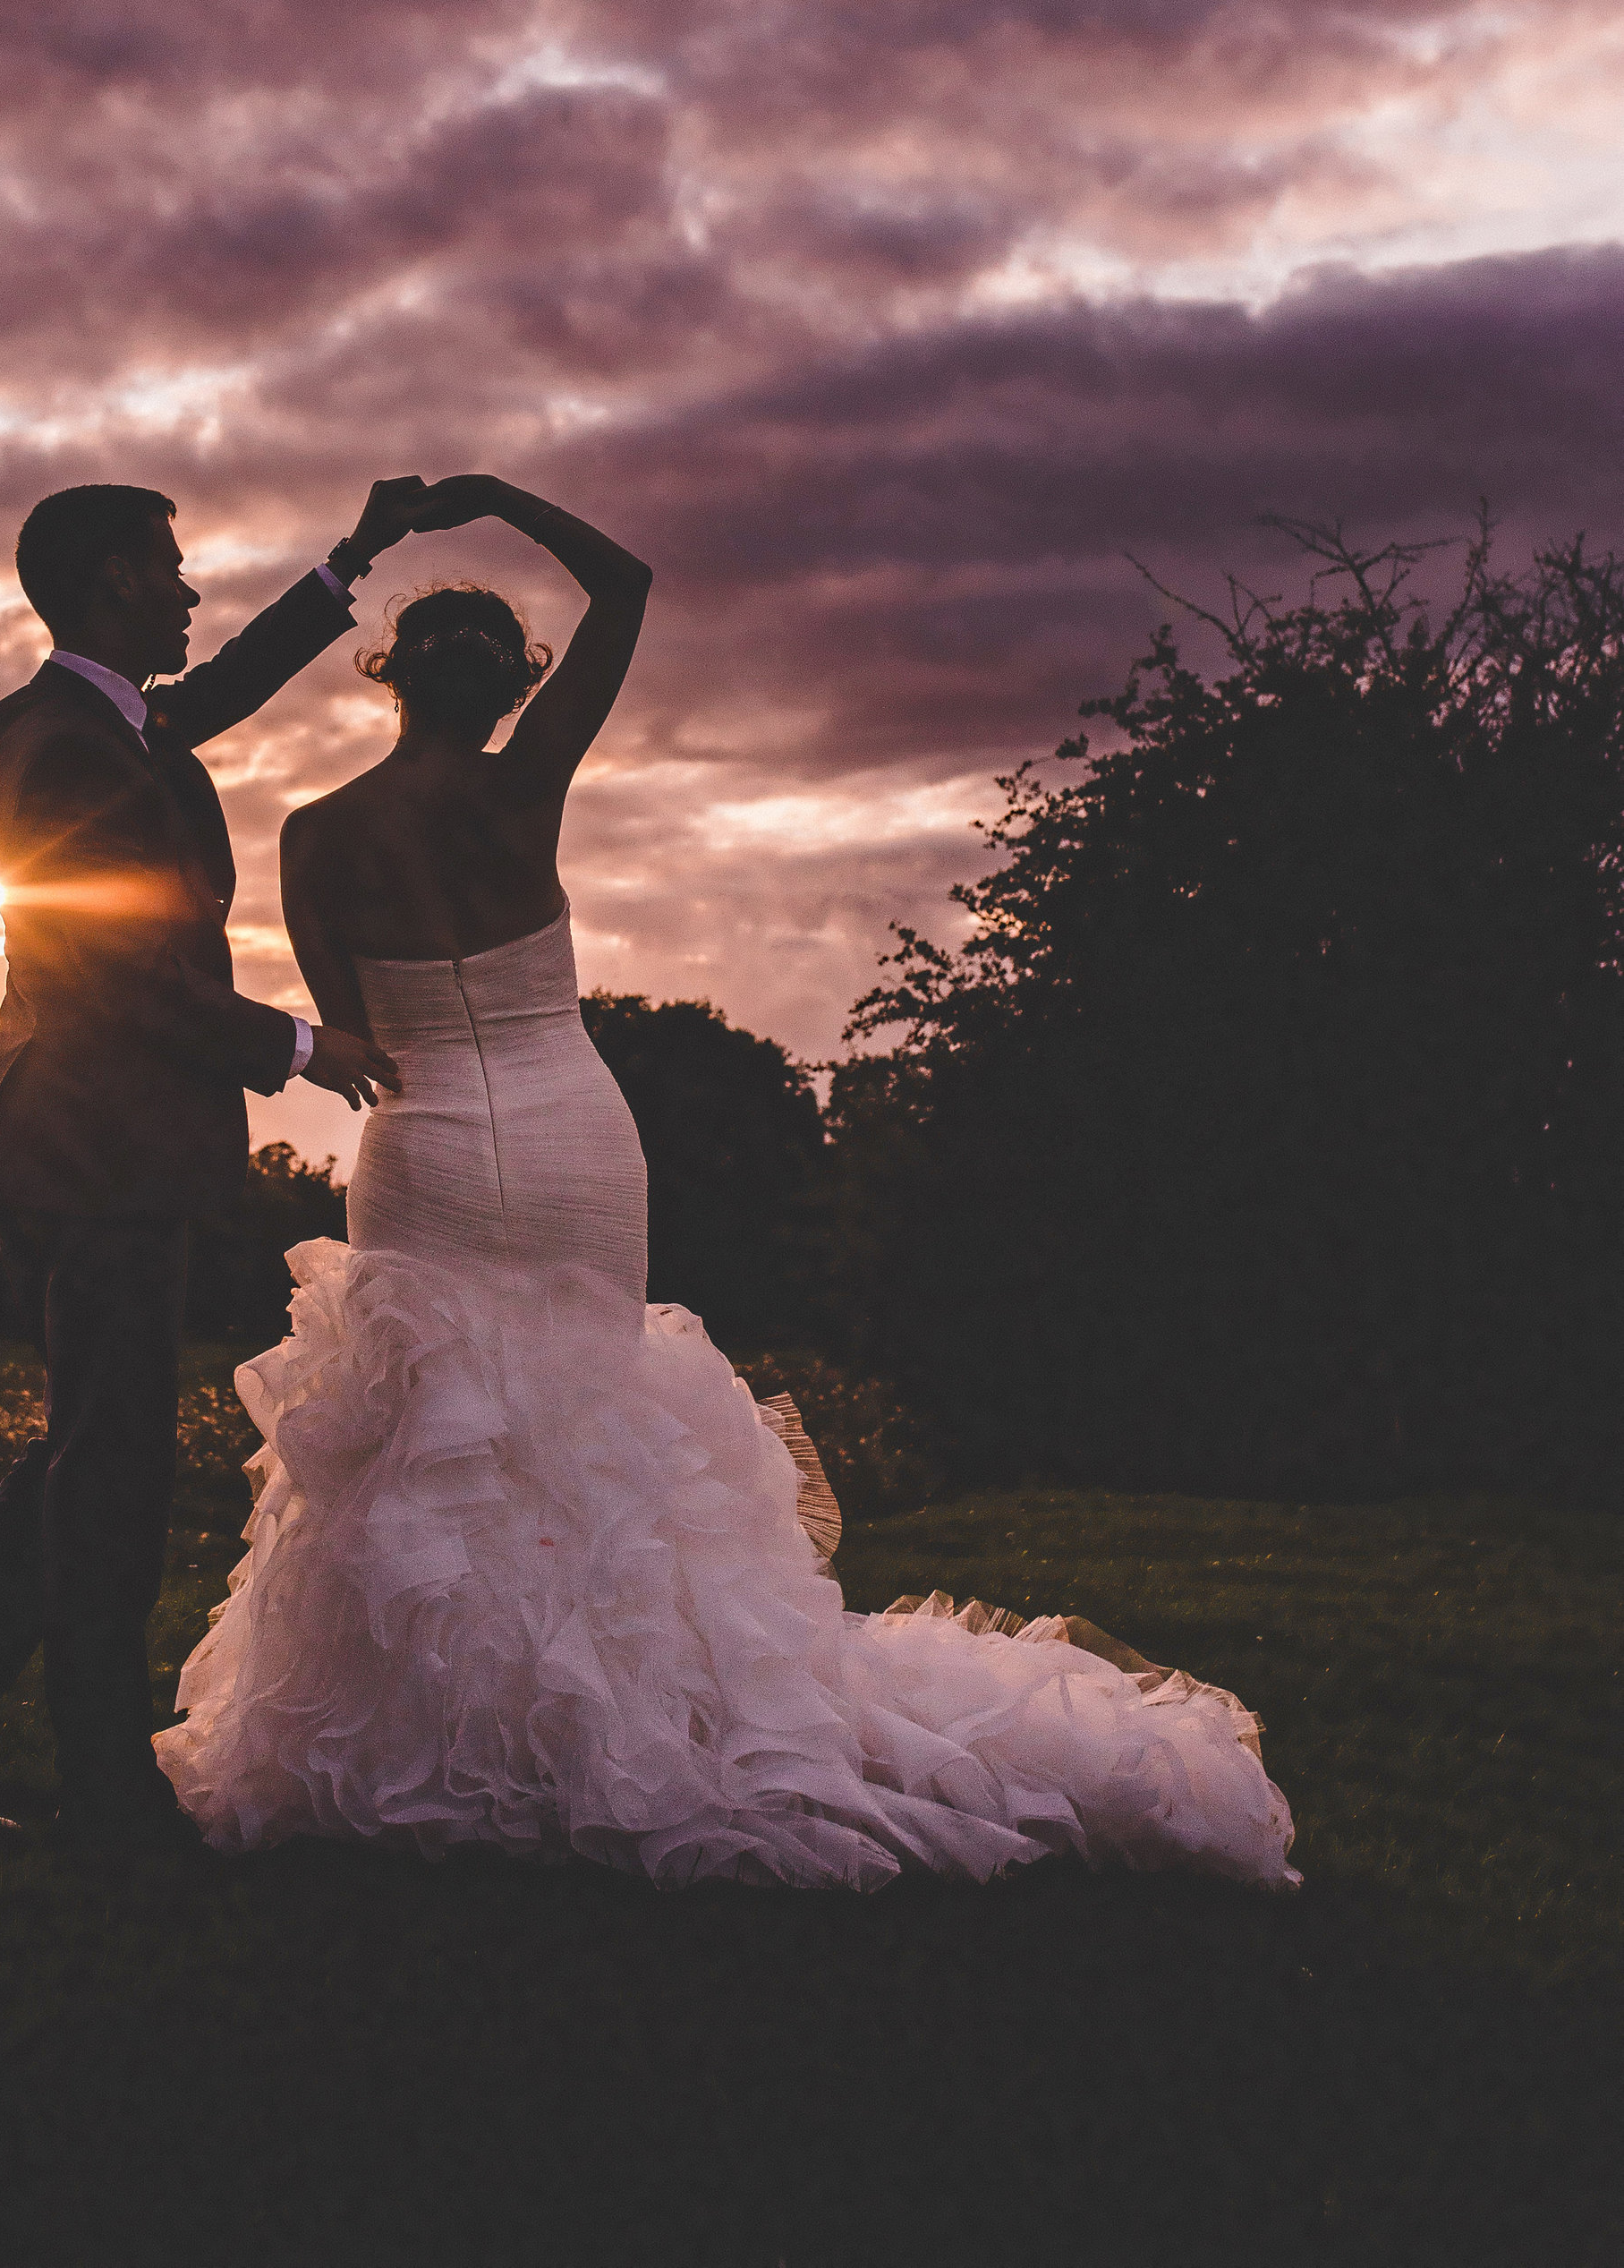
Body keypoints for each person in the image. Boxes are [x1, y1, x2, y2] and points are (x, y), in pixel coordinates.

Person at [156, 477, 1300, 1892]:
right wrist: (492, 498)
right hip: (576, 1134)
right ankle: (623, 1719)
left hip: (429, 1138)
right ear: (513, 683)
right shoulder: (526, 787)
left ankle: (457, 1741)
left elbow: (359, 1030)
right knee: (585, 1424)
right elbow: (627, 584)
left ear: (386, 678)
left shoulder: (315, 836)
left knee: (434, 1438)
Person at [0, 473, 424, 1854]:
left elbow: (220, 687)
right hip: (90, 1152)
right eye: (170, 565)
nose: (189, 588)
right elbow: (99, 964)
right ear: (108, 579)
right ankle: (100, 1789)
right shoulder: (61, 741)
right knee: (108, 1479)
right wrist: (293, 1041)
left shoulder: (111, 722)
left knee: (77, 1465)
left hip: (101, 1149)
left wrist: (352, 560)